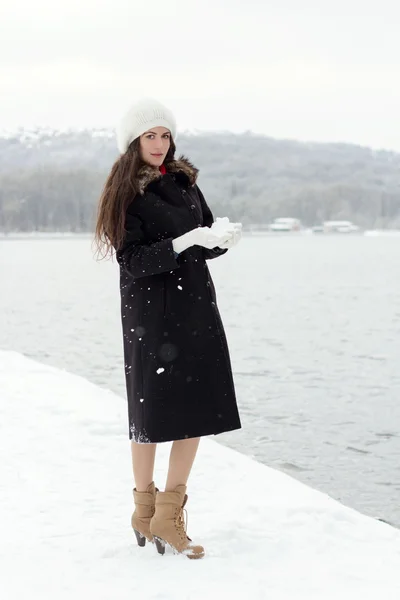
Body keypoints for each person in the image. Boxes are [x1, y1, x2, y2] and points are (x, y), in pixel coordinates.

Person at [94, 98, 242, 559]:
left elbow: (203, 234)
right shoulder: (126, 193)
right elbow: (132, 260)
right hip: (153, 314)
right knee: (152, 413)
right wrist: (180, 243)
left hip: (196, 306)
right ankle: (145, 508)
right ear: (133, 142)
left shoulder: (183, 181)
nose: (159, 144)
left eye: (164, 134)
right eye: (149, 136)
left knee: (195, 408)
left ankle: (168, 513)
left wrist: (217, 241)